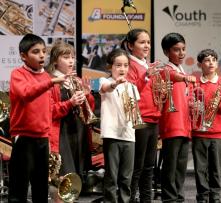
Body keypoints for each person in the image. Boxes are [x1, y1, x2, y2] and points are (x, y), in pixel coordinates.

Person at [8, 33, 67, 202]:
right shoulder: (18, 74)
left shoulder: (47, 78)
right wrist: (51, 82)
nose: (42, 55)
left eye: (43, 51)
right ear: (23, 56)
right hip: (24, 137)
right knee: (18, 189)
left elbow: (49, 109)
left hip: (42, 138)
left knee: (41, 188)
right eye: (36, 52)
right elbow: (26, 94)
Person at [121, 28, 161, 203]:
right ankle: (131, 199)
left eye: (148, 42)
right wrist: (146, 77)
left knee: (149, 166)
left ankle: (146, 200)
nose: (147, 46)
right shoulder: (129, 65)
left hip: (153, 119)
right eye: (142, 42)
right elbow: (128, 91)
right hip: (140, 119)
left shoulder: (147, 65)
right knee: (137, 167)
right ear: (130, 45)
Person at [46, 42, 95, 181]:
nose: (71, 61)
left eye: (72, 57)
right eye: (66, 57)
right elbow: (50, 112)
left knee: (77, 176)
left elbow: (88, 110)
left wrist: (86, 95)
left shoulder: (76, 80)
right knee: (65, 175)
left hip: (78, 131)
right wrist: (70, 103)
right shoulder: (50, 81)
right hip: (61, 133)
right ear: (55, 60)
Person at [191, 49, 221, 203]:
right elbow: (189, 103)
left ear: (217, 63)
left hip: (217, 133)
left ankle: (215, 196)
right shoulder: (195, 82)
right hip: (199, 132)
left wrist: (217, 105)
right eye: (207, 60)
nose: (211, 63)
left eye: (214, 60)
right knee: (200, 168)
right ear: (199, 64)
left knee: (215, 168)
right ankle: (202, 196)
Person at [159, 32, 196, 202]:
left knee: (181, 166)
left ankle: (178, 197)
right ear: (167, 52)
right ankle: (169, 198)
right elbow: (171, 76)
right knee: (170, 166)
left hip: (185, 126)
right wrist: (185, 78)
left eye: (183, 49)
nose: (181, 53)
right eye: (176, 50)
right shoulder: (166, 70)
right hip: (172, 125)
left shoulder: (182, 71)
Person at [99, 48, 139, 203]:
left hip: (129, 136)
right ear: (110, 67)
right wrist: (116, 83)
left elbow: (134, 111)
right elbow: (104, 89)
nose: (122, 69)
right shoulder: (105, 81)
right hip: (112, 135)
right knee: (111, 176)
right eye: (118, 65)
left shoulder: (132, 87)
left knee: (126, 177)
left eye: (125, 65)